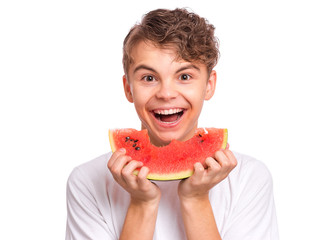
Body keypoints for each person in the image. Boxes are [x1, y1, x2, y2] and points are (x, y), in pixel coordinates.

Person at [65, 8, 279, 240]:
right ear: (128, 89)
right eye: (149, 78)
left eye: (184, 76)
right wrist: (141, 203)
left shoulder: (249, 178)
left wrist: (195, 199)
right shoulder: (87, 181)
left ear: (209, 85)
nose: (166, 93)